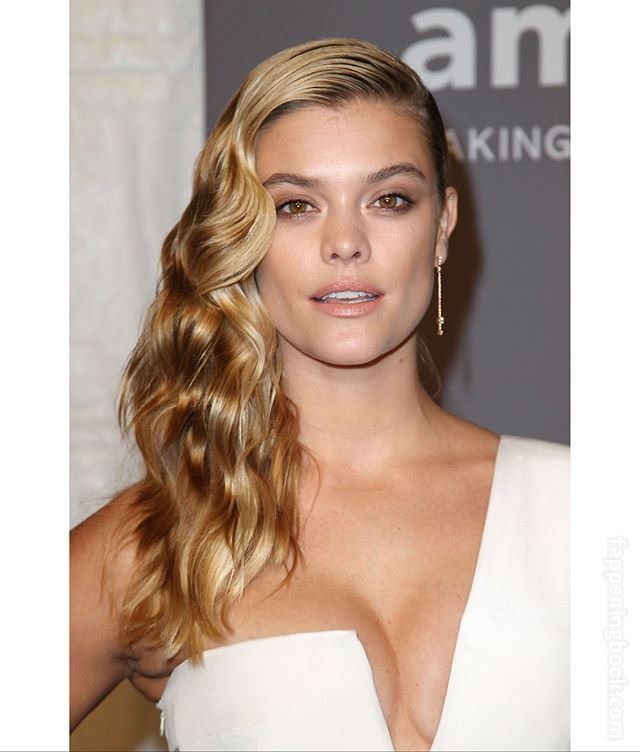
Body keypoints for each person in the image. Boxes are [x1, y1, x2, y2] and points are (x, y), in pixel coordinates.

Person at [70, 37, 569, 751]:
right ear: (242, 236)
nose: (345, 241)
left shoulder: (584, 509)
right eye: (296, 206)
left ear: (441, 227)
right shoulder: (159, 541)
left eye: (390, 200)